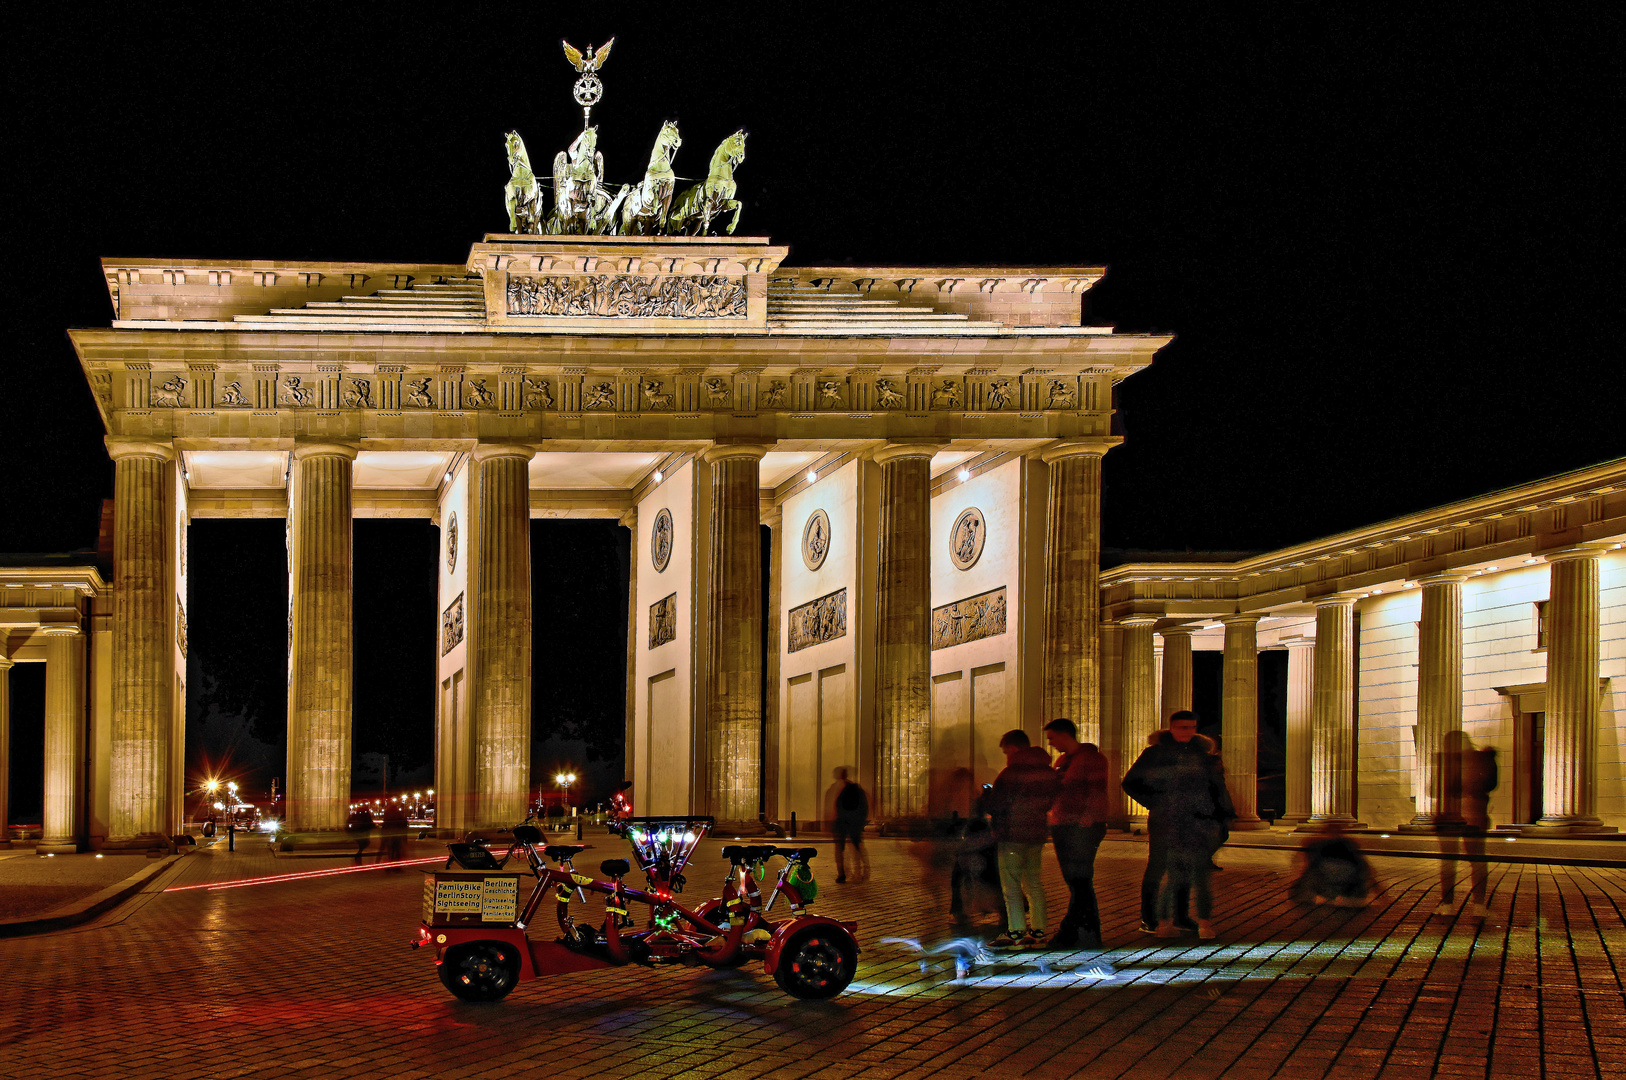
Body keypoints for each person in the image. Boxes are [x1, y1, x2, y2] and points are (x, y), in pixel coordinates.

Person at [1122, 710, 1235, 940]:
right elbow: (1130, 782)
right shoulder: (1154, 754)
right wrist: (1156, 802)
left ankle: (1181, 916)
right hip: (1165, 818)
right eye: (1182, 727)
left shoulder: (1203, 755)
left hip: (1194, 819)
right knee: (1158, 866)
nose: (1187, 732)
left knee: (1184, 869)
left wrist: (1221, 817)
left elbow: (1216, 788)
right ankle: (1149, 918)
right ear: (1171, 728)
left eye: (1191, 727)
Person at [985, 730, 1060, 948]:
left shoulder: (1011, 773)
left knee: (1012, 885)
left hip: (1011, 833)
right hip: (1035, 833)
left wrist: (986, 795)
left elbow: (996, 805)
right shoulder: (1047, 771)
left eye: (1006, 750)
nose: (1006, 755)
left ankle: (1016, 931)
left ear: (1014, 748)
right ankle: (1038, 931)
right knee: (1034, 883)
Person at [1043, 718, 1110, 949]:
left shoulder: (1091, 759)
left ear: (1065, 735)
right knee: (1078, 883)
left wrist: (1087, 820)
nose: (1050, 743)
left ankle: (1072, 933)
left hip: (1081, 827)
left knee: (1079, 882)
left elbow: (1096, 791)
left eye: (1052, 737)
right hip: (1063, 825)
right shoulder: (1063, 761)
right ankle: (1084, 933)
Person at [1436, 731, 1497, 917]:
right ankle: (1479, 905)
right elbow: (1491, 784)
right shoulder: (1483, 759)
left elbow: (1435, 788)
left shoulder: (1447, 762)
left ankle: (1447, 904)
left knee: (1448, 861)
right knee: (1477, 860)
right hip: (1475, 813)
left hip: (1450, 814)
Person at [829, 767, 870, 883]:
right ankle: (848, 872)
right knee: (853, 848)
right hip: (848, 823)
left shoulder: (848, 788)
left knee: (847, 849)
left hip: (846, 823)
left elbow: (839, 806)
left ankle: (848, 873)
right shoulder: (849, 788)